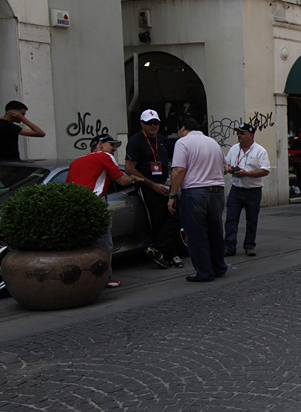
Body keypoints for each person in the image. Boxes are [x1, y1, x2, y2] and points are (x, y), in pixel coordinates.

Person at [68, 134, 140, 288]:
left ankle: (82, 278)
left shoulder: (76, 162)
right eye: (111, 145)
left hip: (74, 204)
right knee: (104, 243)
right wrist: (134, 177)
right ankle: (104, 278)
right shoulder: (104, 156)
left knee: (83, 243)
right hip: (94, 202)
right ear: (100, 144)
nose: (114, 149)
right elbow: (121, 180)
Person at [168, 117, 230, 283]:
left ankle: (204, 272)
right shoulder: (213, 143)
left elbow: (179, 170)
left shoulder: (183, 143)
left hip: (195, 192)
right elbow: (225, 168)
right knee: (215, 232)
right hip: (217, 191)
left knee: (196, 235)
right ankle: (219, 267)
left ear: (183, 128)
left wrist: (172, 195)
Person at [125, 109, 183, 269]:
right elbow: (129, 169)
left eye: (155, 123)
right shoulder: (136, 141)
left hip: (165, 184)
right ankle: (169, 254)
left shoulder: (163, 140)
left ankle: (161, 250)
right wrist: (152, 184)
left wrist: (172, 179)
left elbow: (173, 162)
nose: (153, 126)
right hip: (148, 187)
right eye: (149, 123)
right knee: (157, 220)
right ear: (142, 124)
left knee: (174, 216)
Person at [223, 122, 271, 257]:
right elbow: (226, 165)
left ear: (251, 135)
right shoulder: (233, 149)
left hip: (253, 190)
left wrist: (247, 173)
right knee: (231, 219)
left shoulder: (260, 150)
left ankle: (249, 245)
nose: (239, 135)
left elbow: (265, 170)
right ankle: (229, 246)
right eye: (238, 133)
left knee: (251, 220)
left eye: (242, 133)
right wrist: (230, 169)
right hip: (236, 189)